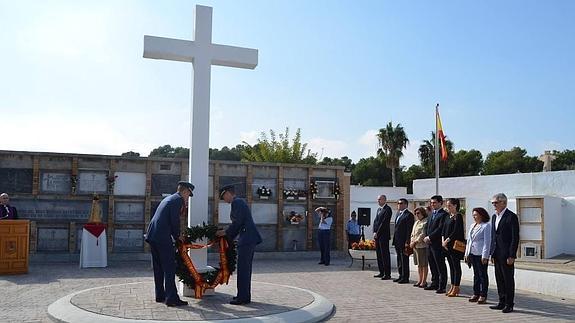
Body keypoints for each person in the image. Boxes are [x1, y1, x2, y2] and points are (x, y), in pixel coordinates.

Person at [145, 181, 194, 307]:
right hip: (162, 237)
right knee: (169, 267)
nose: (188, 197)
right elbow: (174, 220)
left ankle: (160, 295)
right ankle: (171, 298)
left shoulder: (169, 198)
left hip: (153, 235)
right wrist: (178, 237)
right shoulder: (177, 200)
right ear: (185, 191)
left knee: (159, 268)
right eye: (188, 194)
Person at [216, 184, 262, 305]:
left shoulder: (237, 203)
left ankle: (243, 297)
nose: (224, 200)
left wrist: (225, 233)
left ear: (228, 193)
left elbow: (237, 223)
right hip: (247, 238)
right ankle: (243, 295)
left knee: (243, 269)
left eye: (223, 197)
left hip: (247, 239)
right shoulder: (238, 202)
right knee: (244, 269)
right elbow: (238, 224)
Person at [489, 193, 519, 313]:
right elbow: (493, 236)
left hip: (506, 254)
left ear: (504, 203)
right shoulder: (494, 217)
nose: (494, 205)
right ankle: (501, 301)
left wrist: (512, 255)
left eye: (496, 203)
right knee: (499, 278)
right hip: (497, 253)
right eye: (492, 203)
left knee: (508, 279)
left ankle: (509, 303)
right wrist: (491, 253)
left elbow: (515, 237)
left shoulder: (511, 216)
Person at [464, 207, 492, 304]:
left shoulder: (486, 226)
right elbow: (469, 240)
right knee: (476, 274)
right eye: (473, 215)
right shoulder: (473, 225)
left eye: (476, 215)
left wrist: (485, 255)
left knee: (482, 275)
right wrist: (467, 253)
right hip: (473, 253)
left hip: (481, 254)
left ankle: (483, 294)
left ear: (481, 215)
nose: (474, 217)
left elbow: (487, 242)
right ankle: (476, 293)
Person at [423, 195, 448, 293]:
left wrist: (430, 237)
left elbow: (440, 228)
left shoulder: (443, 214)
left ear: (440, 203)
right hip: (429, 244)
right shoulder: (431, 214)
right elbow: (427, 227)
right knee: (432, 264)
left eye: (435, 203)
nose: (432, 204)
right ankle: (434, 283)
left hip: (437, 244)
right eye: (431, 203)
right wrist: (426, 236)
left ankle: (442, 286)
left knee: (440, 265)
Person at [442, 198, 465, 297]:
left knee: (456, 267)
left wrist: (447, 240)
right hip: (446, 246)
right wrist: (443, 240)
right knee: (451, 267)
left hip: (454, 245)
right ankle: (452, 285)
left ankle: (456, 286)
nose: (448, 207)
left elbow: (456, 231)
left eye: (450, 205)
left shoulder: (458, 216)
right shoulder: (448, 216)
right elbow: (443, 230)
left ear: (455, 205)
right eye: (447, 205)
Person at [392, 198, 414, 283]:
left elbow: (409, 230)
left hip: (404, 241)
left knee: (404, 259)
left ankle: (405, 277)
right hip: (397, 240)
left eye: (401, 203)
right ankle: (400, 275)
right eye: (398, 203)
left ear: (406, 205)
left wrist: (407, 242)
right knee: (399, 259)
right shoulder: (398, 214)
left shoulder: (409, 215)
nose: (399, 205)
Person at [373, 195, 392, 280]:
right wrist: (374, 231)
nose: (378, 201)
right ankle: (381, 272)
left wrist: (378, 232)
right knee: (379, 254)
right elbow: (375, 221)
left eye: (379, 199)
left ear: (384, 200)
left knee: (385, 255)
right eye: (378, 199)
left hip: (383, 235)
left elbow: (384, 223)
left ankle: (387, 274)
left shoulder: (387, 209)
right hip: (377, 236)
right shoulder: (378, 210)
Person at [410, 207, 429, 288]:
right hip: (415, 246)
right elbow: (412, 233)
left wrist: (416, 241)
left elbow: (423, 233)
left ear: (423, 213)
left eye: (418, 213)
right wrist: (411, 241)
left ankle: (424, 281)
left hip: (422, 246)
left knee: (424, 264)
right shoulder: (416, 222)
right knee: (419, 264)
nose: (417, 215)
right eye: (416, 213)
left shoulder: (426, 222)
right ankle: (419, 280)